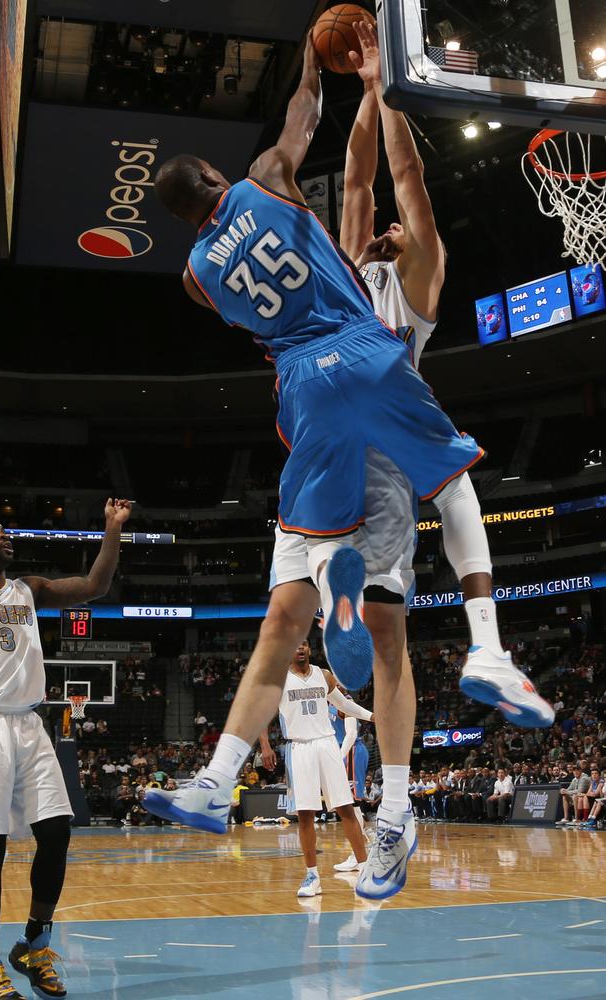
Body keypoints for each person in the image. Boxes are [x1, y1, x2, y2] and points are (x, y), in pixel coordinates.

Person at [145, 23, 552, 875]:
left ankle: (232, 765)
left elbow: (394, 184)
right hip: (368, 382)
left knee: (287, 618)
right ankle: (477, 647)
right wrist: (365, 83)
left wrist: (375, 91)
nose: (394, 234)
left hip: (309, 403)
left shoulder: (398, 282)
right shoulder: (333, 246)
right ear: (219, 179)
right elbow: (366, 174)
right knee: (453, 481)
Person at [0, 500, 131, 1000]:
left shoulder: (27, 589)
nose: (4, 535)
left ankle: (33, 942)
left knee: (56, 835)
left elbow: (94, 587)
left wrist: (111, 528)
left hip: (29, 723)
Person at [256, 640, 374, 896]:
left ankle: (365, 868)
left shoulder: (324, 675)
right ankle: (312, 876)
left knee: (346, 807)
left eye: (304, 644)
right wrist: (265, 746)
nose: (299, 648)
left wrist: (373, 716)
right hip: (299, 747)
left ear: (309, 649)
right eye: (294, 645)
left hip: (327, 743)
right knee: (306, 814)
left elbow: (344, 705)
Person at [328, 686, 372, 872]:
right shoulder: (328, 702)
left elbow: (351, 734)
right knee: (346, 804)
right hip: (341, 752)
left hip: (351, 752)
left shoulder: (346, 703)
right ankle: (363, 847)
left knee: (352, 803)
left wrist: (339, 758)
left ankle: (359, 853)